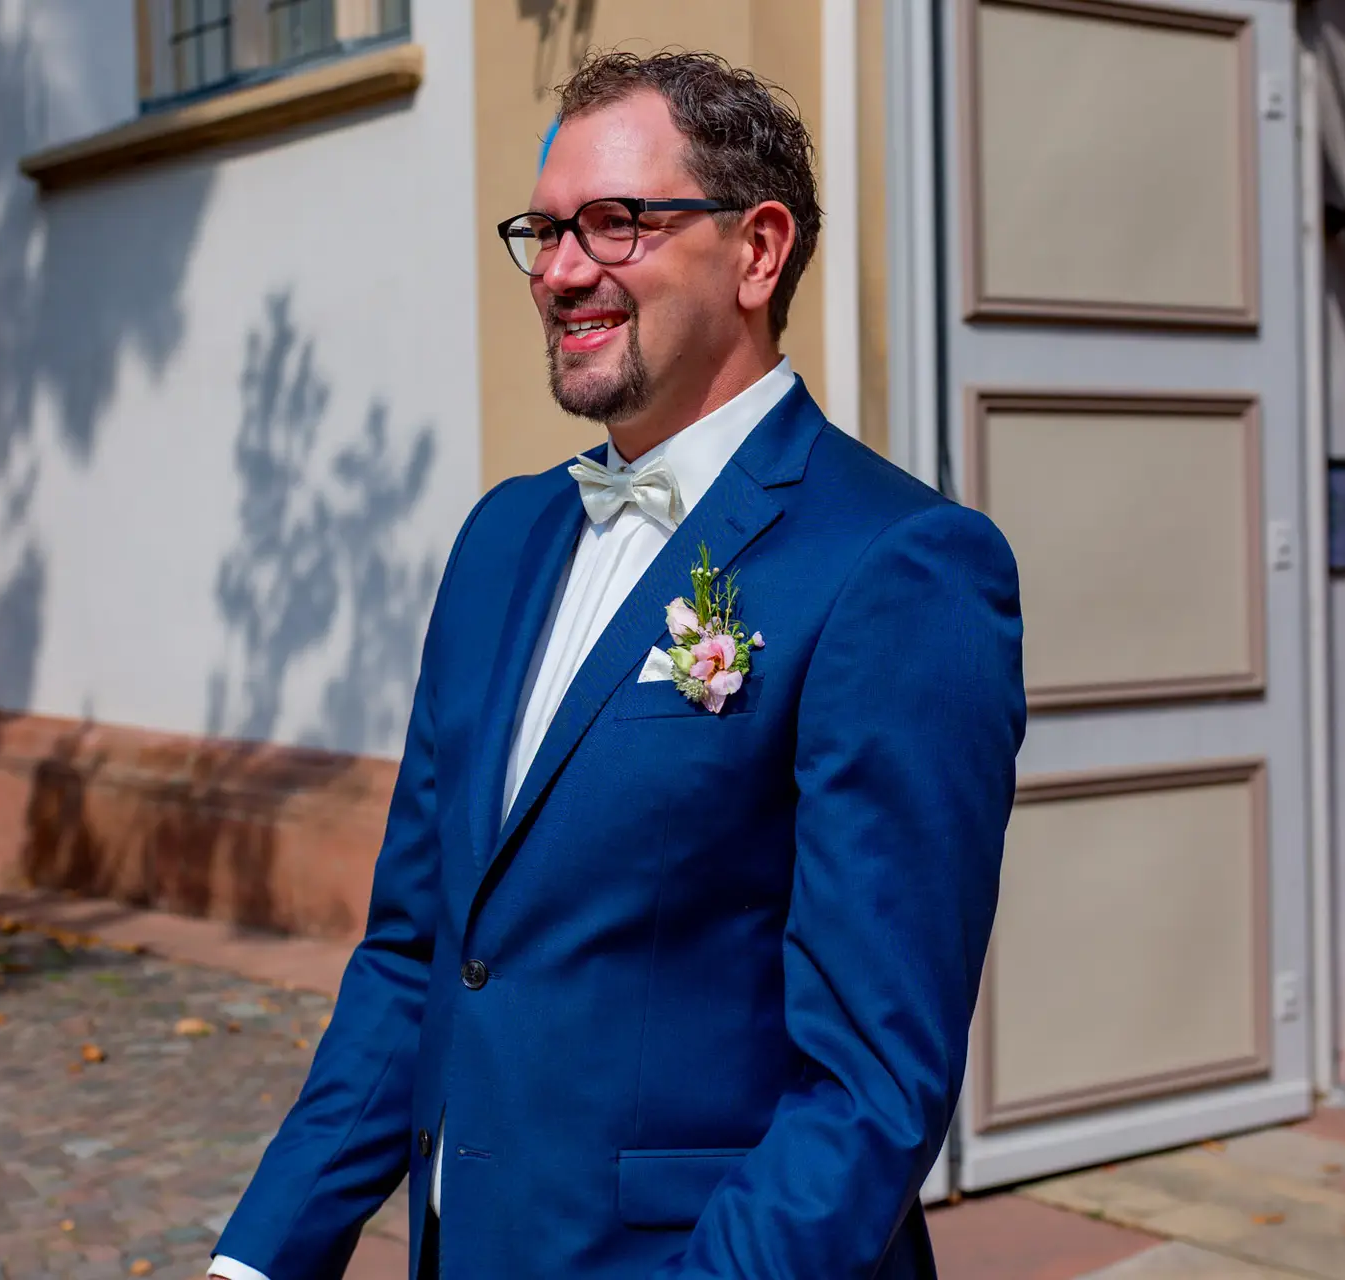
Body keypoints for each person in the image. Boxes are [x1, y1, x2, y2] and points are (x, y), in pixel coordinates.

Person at [208, 51, 1025, 1280]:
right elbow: (419, 954)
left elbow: (870, 1083)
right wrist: (262, 1257)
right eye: (544, 230)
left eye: (615, 223)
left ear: (757, 251)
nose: (561, 269)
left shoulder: (901, 568)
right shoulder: (501, 540)